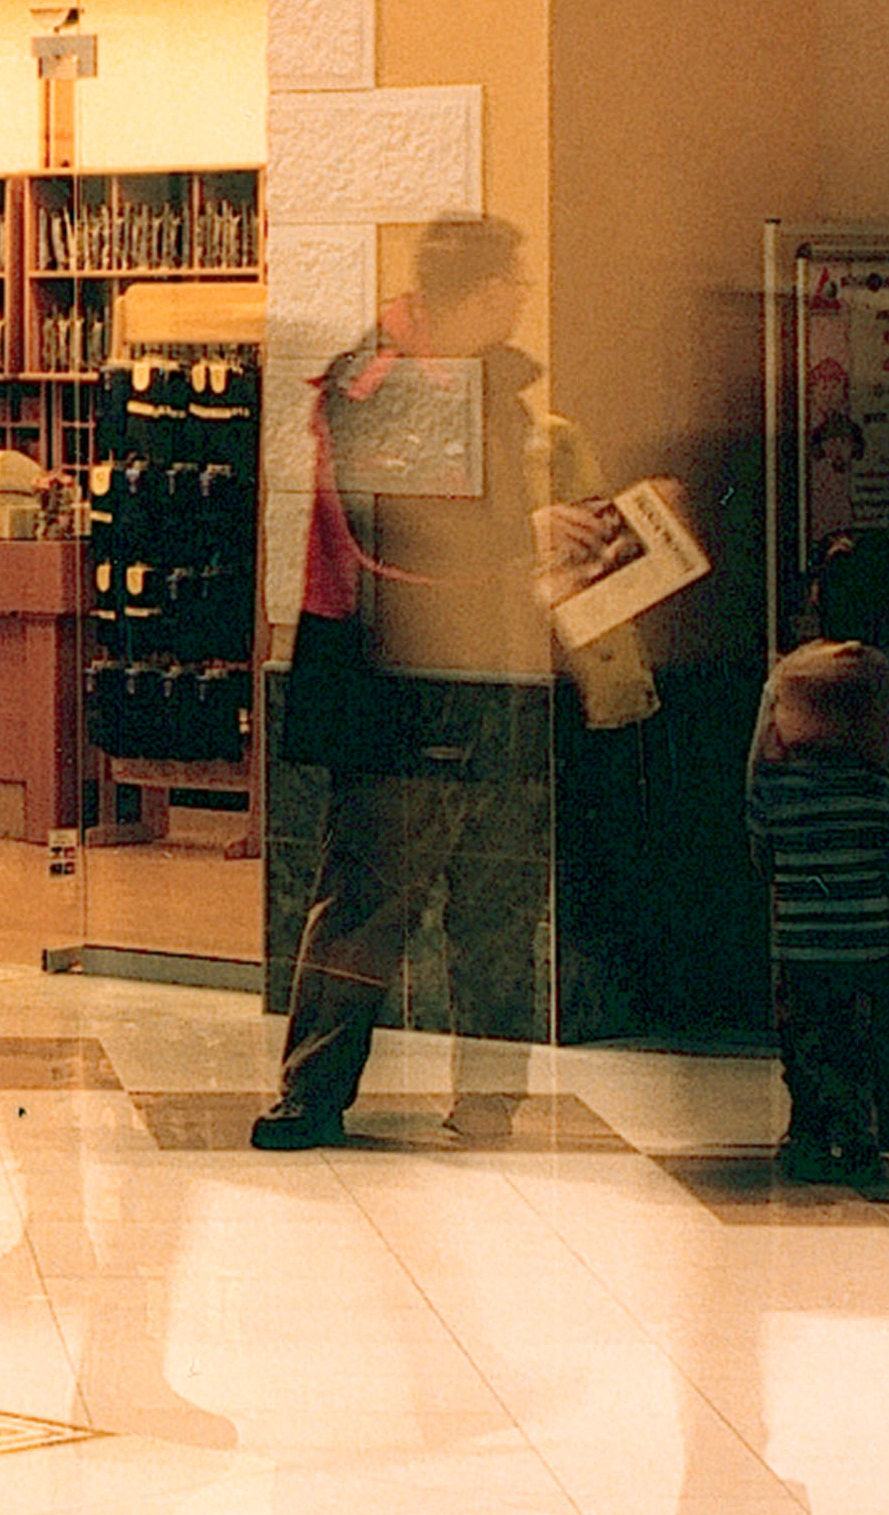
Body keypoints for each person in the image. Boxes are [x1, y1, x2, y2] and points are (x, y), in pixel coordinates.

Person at [253, 213, 618, 1150]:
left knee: (497, 908)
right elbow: (395, 529)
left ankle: (488, 1105)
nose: (523, 299)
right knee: (368, 906)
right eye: (516, 283)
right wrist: (527, 535)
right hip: (401, 690)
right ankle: (310, 1095)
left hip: (492, 676)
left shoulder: (488, 386)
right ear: (486, 291)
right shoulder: (380, 381)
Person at [753, 530, 889, 1157]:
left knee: (804, 1016)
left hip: (805, 890)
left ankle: (809, 1120)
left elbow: (759, 775)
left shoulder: (790, 675)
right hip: (877, 886)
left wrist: (771, 856)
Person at [746, 636, 889, 1181]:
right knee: (857, 1040)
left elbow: (762, 854)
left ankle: (808, 1132)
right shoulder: (883, 793)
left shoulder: (779, 792)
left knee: (802, 1040)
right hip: (866, 943)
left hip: (800, 944)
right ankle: (859, 1135)